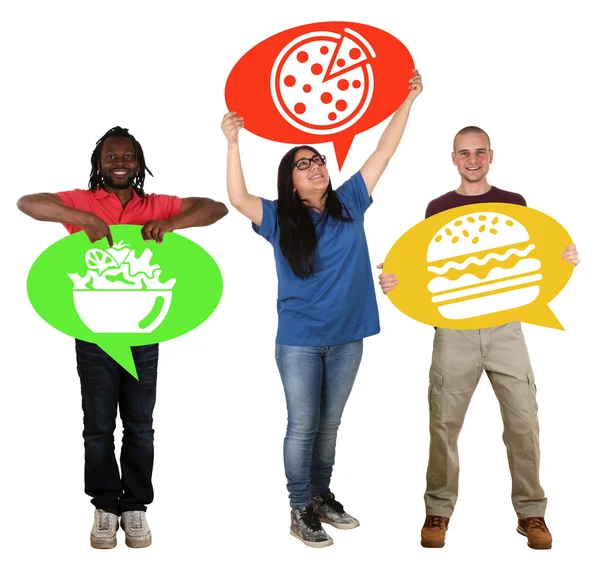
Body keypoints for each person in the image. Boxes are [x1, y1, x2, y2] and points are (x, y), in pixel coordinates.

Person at [222, 71, 422, 547]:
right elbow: (237, 198)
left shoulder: (350, 200)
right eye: (303, 164)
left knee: (329, 425)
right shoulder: (277, 217)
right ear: (290, 182)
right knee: (303, 425)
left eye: (318, 160)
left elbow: (383, 152)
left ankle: (320, 496)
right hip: (299, 342)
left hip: (348, 336)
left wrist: (407, 101)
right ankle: (298, 507)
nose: (315, 167)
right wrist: (233, 142)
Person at [17, 126, 228, 549]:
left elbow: (215, 208)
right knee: (97, 426)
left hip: (144, 329)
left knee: (140, 425)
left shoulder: (154, 204)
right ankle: (105, 505)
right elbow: (28, 203)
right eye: (111, 157)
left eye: (127, 157)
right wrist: (83, 218)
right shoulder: (82, 199)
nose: (119, 163)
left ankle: (135, 507)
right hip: (92, 330)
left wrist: (171, 222)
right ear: (99, 163)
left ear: (138, 162)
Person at [378, 125, 579, 550]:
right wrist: (398, 280)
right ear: (453, 158)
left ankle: (532, 514)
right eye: (464, 153)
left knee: (524, 422)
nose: (473, 159)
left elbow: (534, 259)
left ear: (491, 156)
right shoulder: (438, 207)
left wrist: (564, 257)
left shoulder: (514, 203)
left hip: (507, 328)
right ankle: (438, 510)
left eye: (480, 152)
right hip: (453, 330)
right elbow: (427, 266)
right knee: (443, 424)